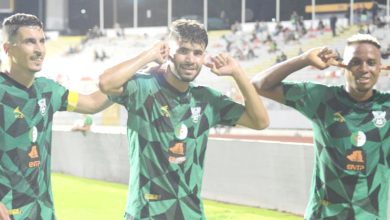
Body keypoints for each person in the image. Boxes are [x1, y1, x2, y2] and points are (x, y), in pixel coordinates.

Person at [99, 19, 269, 219]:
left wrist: (238, 73)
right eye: (184, 51)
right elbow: (106, 83)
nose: (190, 59)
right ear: (169, 51)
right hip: (146, 213)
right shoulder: (143, 88)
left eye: (197, 53)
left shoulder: (207, 99)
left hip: (190, 214)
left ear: (204, 56)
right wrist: (148, 55)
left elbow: (260, 121)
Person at [251, 33, 390, 219]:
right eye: (355, 62)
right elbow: (259, 84)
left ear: (381, 67)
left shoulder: (386, 105)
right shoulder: (321, 98)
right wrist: (304, 59)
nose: (364, 69)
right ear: (342, 65)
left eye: (371, 63)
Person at [0, 13, 112, 220]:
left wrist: (133, 78)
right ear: (8, 48)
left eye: (42, 41)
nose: (39, 49)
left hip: (43, 212)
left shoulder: (49, 90)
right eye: (29, 42)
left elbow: (93, 103)